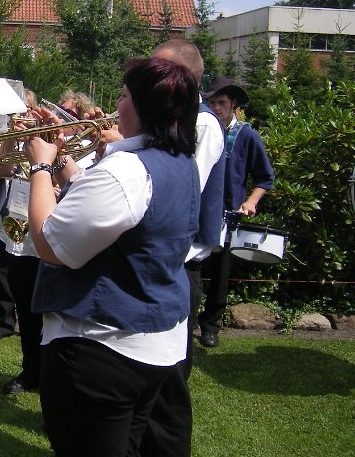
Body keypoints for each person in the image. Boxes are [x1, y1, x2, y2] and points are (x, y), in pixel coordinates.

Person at [25, 57, 201, 456]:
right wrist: (71, 170)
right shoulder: (179, 161)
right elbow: (122, 214)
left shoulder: (127, 170)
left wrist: (39, 163)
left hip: (101, 350)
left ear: (140, 108)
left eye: (122, 95)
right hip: (153, 346)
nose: (114, 105)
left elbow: (50, 246)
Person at [138, 40, 226, 456]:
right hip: (165, 261)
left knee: (169, 378)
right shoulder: (185, 120)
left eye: (161, 69)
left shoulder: (204, 124)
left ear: (184, 79)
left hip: (179, 263)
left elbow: (178, 183)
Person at [198, 77, 275, 348]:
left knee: (220, 274)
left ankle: (210, 326)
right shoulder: (200, 129)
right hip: (197, 212)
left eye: (221, 103)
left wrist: (251, 201)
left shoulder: (246, 135)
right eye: (211, 102)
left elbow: (265, 178)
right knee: (190, 267)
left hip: (227, 217)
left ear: (234, 106)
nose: (215, 108)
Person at [0, 88, 38, 342]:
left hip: (29, 211)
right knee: (2, 269)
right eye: (16, 110)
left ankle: (31, 321)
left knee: (27, 270)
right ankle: (4, 320)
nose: (21, 114)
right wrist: (9, 141)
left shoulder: (40, 139)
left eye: (26, 109)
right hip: (0, 210)